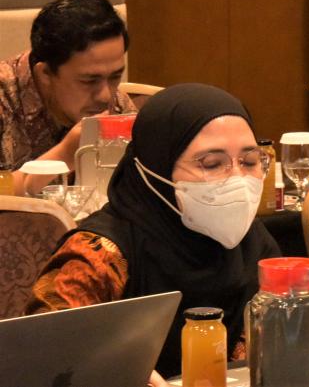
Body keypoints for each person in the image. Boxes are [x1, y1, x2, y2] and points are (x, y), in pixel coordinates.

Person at [27, 83, 281, 383]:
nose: (237, 178)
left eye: (250, 162)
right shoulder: (99, 252)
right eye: (212, 164)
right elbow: (43, 354)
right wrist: (117, 371)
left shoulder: (253, 241)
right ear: (155, 167)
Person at [0, 0, 135, 195]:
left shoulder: (116, 105)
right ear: (45, 74)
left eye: (115, 77)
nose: (106, 96)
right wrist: (64, 155)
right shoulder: (4, 96)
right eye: (89, 81)